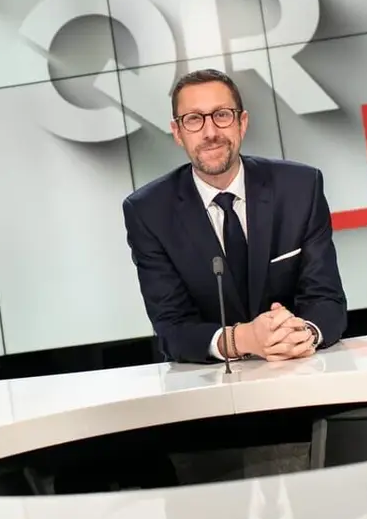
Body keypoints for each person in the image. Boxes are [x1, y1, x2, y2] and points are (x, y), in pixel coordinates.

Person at [122, 68, 347, 364]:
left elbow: (326, 299)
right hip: (212, 381)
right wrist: (243, 339)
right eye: (194, 119)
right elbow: (172, 328)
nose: (210, 133)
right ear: (177, 133)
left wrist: (302, 335)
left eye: (222, 115)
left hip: (299, 367)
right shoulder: (148, 211)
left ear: (242, 123)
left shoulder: (300, 187)